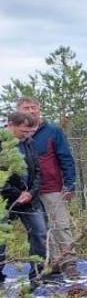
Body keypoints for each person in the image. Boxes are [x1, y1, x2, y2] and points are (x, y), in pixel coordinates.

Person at [16, 97, 79, 279]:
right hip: (26, 191)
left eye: (33, 107)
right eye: (26, 108)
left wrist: (69, 184)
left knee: (61, 226)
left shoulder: (52, 131)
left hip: (52, 188)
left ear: (39, 109)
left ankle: (70, 264)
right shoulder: (16, 134)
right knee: (39, 231)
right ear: (18, 111)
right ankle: (51, 264)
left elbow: (66, 158)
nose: (30, 111)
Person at [1, 112, 47, 282]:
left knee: (40, 233)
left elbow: (37, 172)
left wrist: (30, 193)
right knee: (1, 241)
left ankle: (38, 275)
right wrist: (16, 193)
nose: (27, 135)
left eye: (30, 132)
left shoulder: (29, 143)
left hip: (29, 199)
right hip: (4, 200)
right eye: (23, 131)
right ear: (11, 124)